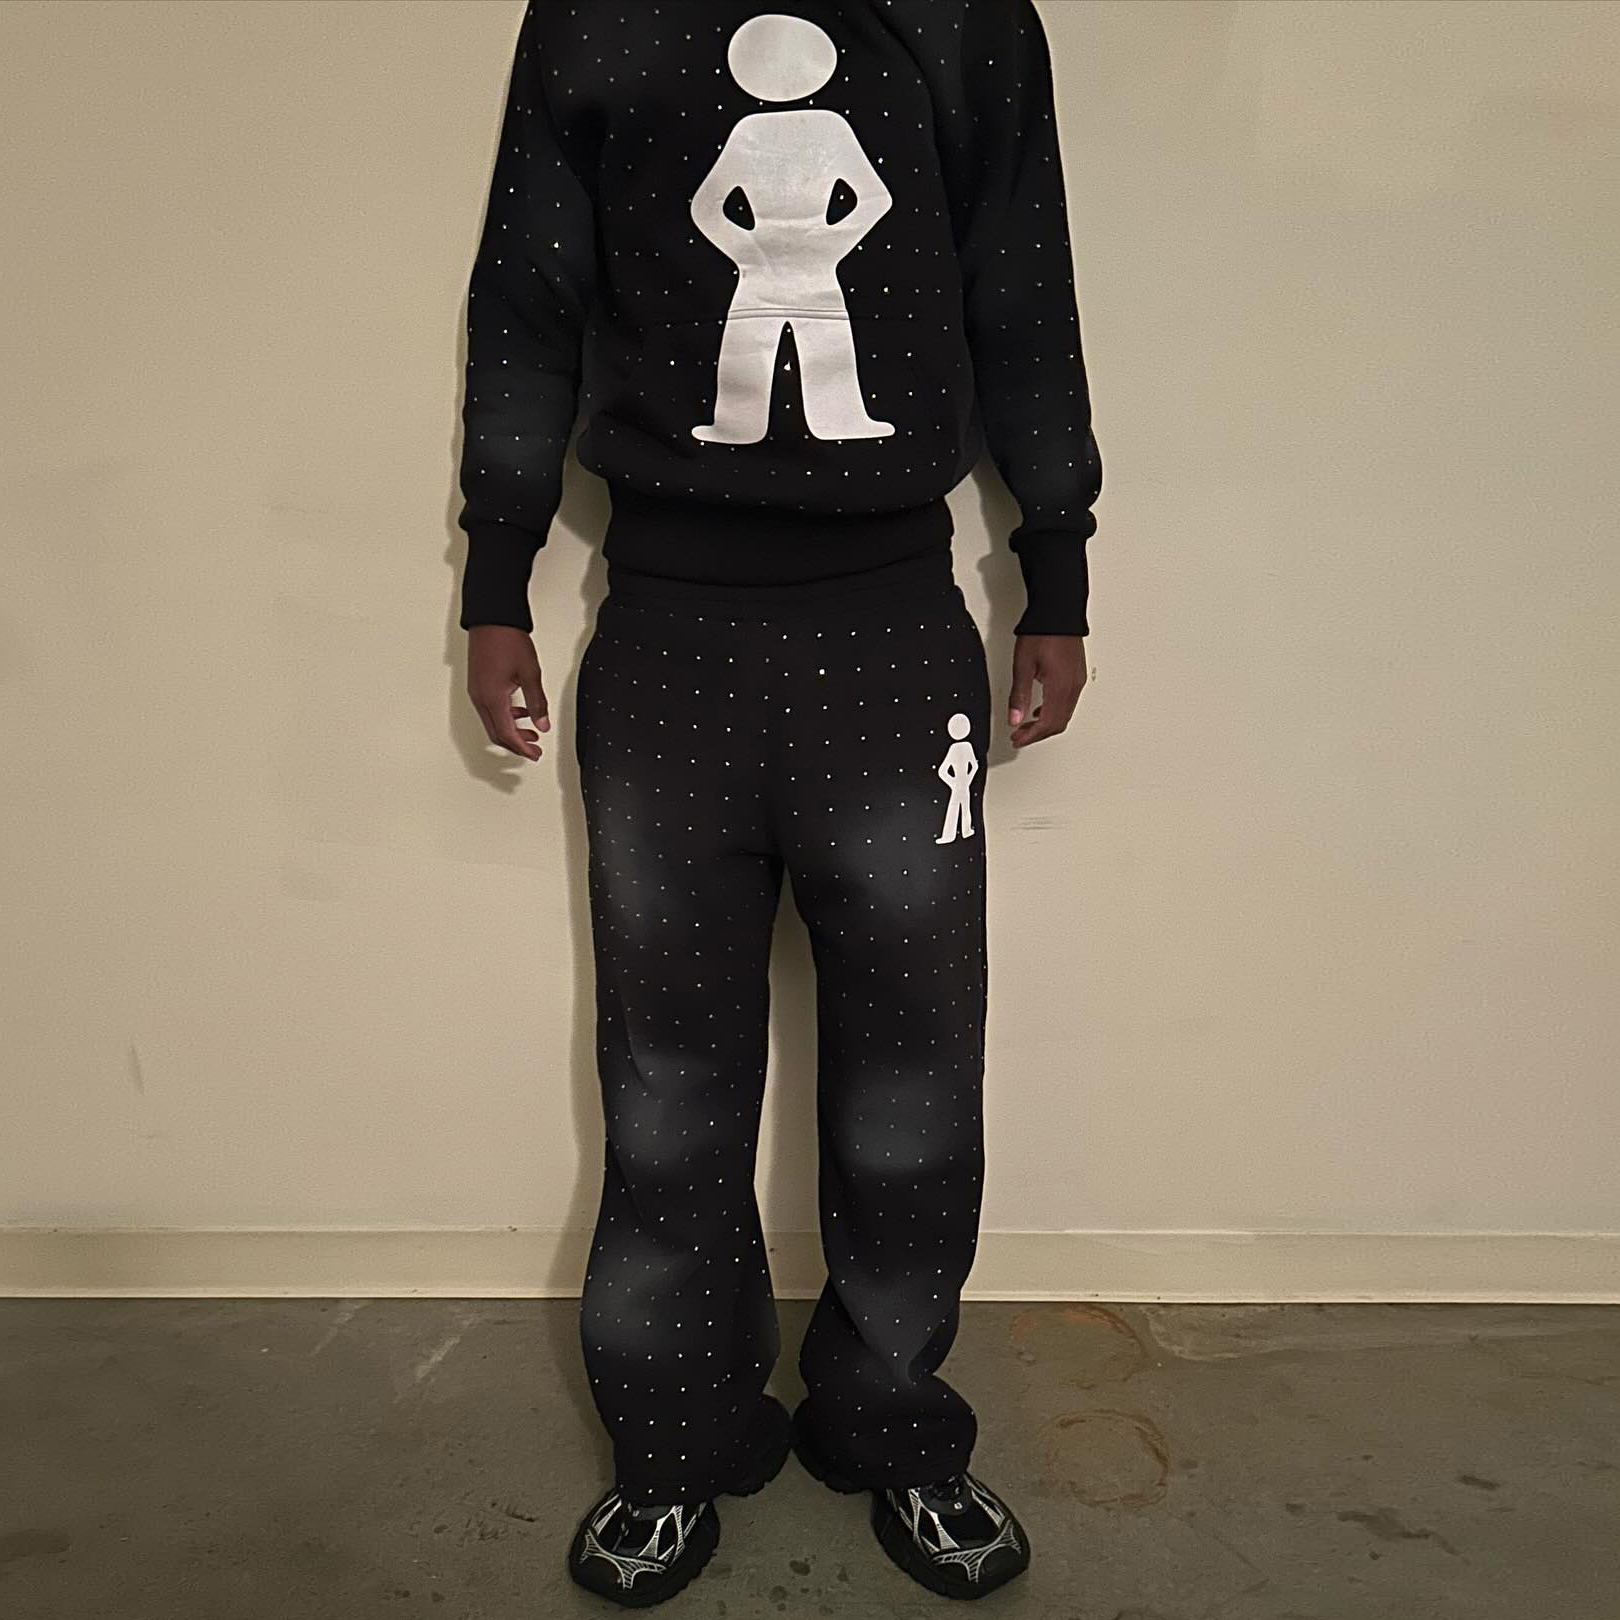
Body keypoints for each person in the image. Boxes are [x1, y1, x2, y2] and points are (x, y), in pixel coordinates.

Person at [455, 1, 1102, 1605]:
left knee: (913, 1071)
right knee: (669, 1078)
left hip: (893, 638)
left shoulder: (961, 16)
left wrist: (1056, 563)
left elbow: (1021, 282)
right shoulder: (598, 19)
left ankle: (893, 1425)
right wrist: (495, 574)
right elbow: (529, 291)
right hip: (668, 640)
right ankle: (677, 1444)